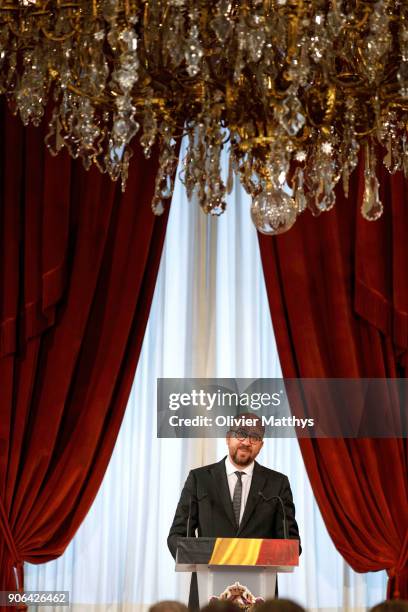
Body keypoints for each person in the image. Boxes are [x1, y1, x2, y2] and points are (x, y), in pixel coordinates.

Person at [168, 414, 301, 608]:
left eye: (254, 437)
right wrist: (195, 556)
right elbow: (177, 535)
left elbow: (291, 544)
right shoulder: (200, 479)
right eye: (241, 434)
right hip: (208, 594)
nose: (246, 442)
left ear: (261, 445)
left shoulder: (277, 484)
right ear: (227, 437)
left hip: (260, 599)